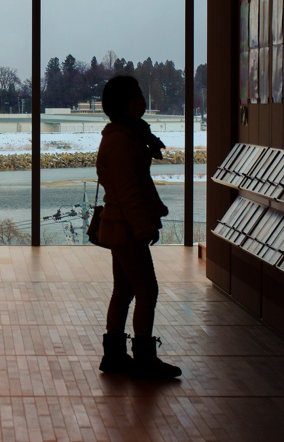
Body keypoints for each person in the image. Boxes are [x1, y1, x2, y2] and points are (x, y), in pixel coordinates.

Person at [95, 75, 181, 379]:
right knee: (147, 291)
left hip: (120, 226)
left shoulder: (125, 134)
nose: (143, 101)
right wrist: (144, 228)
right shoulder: (121, 140)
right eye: (138, 95)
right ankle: (144, 357)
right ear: (126, 103)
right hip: (127, 228)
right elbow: (129, 192)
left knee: (125, 290)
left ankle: (116, 355)